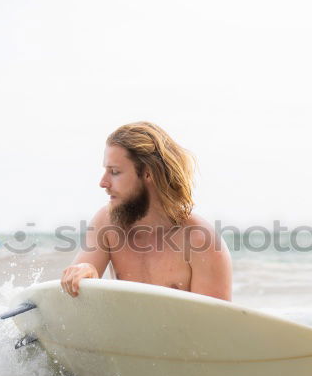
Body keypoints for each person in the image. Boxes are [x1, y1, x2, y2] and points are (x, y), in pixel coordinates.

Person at [60, 121, 232, 301]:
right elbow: (71, 299)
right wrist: (86, 272)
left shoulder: (202, 241)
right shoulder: (107, 223)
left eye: (115, 172)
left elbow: (215, 325)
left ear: (148, 174)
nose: (103, 182)